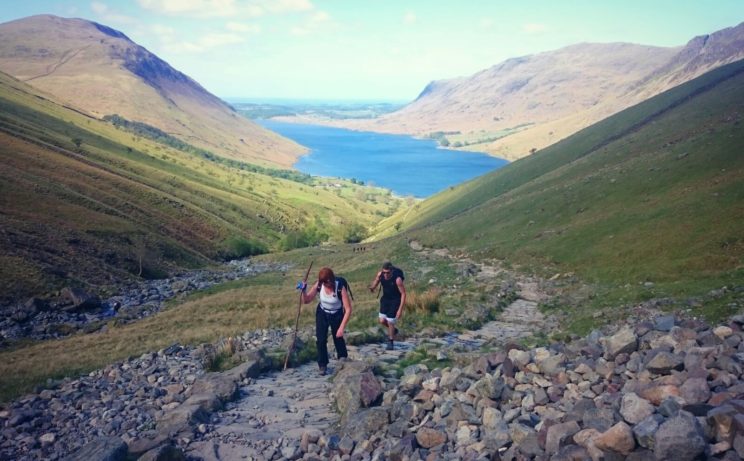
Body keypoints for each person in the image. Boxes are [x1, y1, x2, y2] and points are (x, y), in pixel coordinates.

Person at [300, 267, 352, 375]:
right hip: (322, 313)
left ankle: (343, 360)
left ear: (332, 279)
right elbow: (306, 300)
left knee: (338, 337)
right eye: (325, 283)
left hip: (337, 314)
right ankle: (322, 364)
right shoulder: (319, 285)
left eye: (329, 282)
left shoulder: (340, 287)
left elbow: (348, 309)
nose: (328, 285)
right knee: (321, 339)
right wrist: (304, 291)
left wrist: (341, 327)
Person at [368, 261, 406, 350]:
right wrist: (373, 287)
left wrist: (400, 309)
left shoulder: (397, 279)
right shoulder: (380, 275)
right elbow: (376, 281)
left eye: (387, 272)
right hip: (385, 299)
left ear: (391, 271)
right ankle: (394, 330)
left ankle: (391, 341)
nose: (385, 274)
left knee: (390, 321)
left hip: (395, 300)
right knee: (382, 320)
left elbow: (403, 294)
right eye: (384, 272)